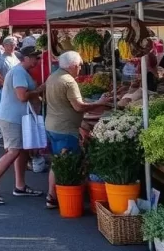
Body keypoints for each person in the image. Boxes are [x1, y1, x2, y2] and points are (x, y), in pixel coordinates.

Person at [44, 51, 111, 209]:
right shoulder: (69, 81)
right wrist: (99, 103)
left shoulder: (53, 76)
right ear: (73, 66)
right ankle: (65, 198)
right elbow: (78, 106)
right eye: (80, 65)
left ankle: (51, 196)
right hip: (65, 128)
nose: (81, 68)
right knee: (68, 163)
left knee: (57, 162)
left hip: (52, 125)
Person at [0, 45, 45, 204]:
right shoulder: (19, 72)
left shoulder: (21, 72)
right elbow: (22, 96)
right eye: (36, 57)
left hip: (15, 117)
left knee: (21, 151)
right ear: (27, 58)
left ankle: (20, 186)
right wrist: (40, 89)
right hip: (11, 118)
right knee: (14, 151)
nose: (38, 60)